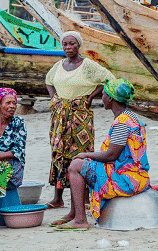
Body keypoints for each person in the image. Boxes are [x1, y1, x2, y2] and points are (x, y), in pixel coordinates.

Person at [51, 78, 150, 231]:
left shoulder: (123, 122)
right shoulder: (130, 116)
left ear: (110, 98)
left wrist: (85, 155)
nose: (101, 97)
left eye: (103, 94)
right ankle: (74, 213)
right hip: (135, 174)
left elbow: (111, 155)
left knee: (76, 165)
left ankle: (80, 219)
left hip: (126, 178)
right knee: (81, 163)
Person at [45, 31, 115, 209]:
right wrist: (54, 99)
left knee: (81, 153)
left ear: (79, 45)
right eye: (65, 44)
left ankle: (83, 198)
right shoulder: (59, 65)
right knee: (58, 153)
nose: (68, 47)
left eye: (72, 44)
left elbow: (109, 80)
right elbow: (48, 81)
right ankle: (58, 198)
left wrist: (91, 97)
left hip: (80, 115)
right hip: (59, 115)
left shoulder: (88, 65)